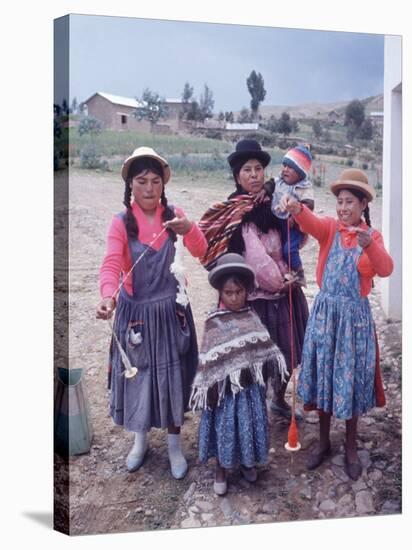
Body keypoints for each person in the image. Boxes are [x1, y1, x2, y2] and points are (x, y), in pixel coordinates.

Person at [96, 146, 207, 479]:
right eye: (141, 181)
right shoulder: (120, 223)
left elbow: (202, 251)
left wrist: (189, 228)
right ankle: (140, 441)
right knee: (140, 378)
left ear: (163, 184)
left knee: (172, 378)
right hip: (136, 315)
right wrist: (107, 297)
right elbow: (111, 263)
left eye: (155, 181)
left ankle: (175, 446)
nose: (148, 188)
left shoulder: (174, 215)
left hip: (171, 312)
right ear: (130, 184)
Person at [280, 168, 393, 480]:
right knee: (325, 379)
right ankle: (324, 441)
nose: (343, 208)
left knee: (352, 381)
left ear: (362, 205)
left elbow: (385, 269)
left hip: (354, 323)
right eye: (340, 202)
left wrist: (370, 244)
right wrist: (296, 208)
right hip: (326, 317)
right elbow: (310, 222)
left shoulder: (373, 237)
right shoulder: (330, 229)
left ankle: (351, 446)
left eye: (350, 202)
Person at [198, 139, 309, 420]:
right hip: (255, 296)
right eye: (247, 170)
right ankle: (255, 408)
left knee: (286, 351)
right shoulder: (233, 210)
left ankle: (279, 399)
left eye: (258, 168)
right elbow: (253, 255)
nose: (254, 175)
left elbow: (294, 235)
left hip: (286, 290)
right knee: (256, 357)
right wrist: (277, 280)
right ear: (237, 176)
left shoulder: (276, 202)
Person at [190, 253, 287, 496]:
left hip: (250, 392)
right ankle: (221, 468)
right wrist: (212, 386)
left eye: (239, 292)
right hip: (224, 397)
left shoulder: (251, 317)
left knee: (249, 425)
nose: (234, 297)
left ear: (246, 291)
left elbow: (264, 350)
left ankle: (247, 462)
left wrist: (268, 364)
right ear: (220, 294)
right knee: (225, 427)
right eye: (228, 293)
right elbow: (209, 361)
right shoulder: (214, 322)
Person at [262, 145, 314, 286]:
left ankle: (299, 272)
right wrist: (264, 191)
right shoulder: (278, 181)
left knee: (289, 249)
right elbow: (269, 185)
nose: (285, 169)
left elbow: (308, 205)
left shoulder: (303, 188)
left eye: (290, 167)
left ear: (300, 172)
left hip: (294, 227)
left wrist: (295, 216)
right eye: (284, 165)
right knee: (276, 248)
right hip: (278, 221)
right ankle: (285, 272)